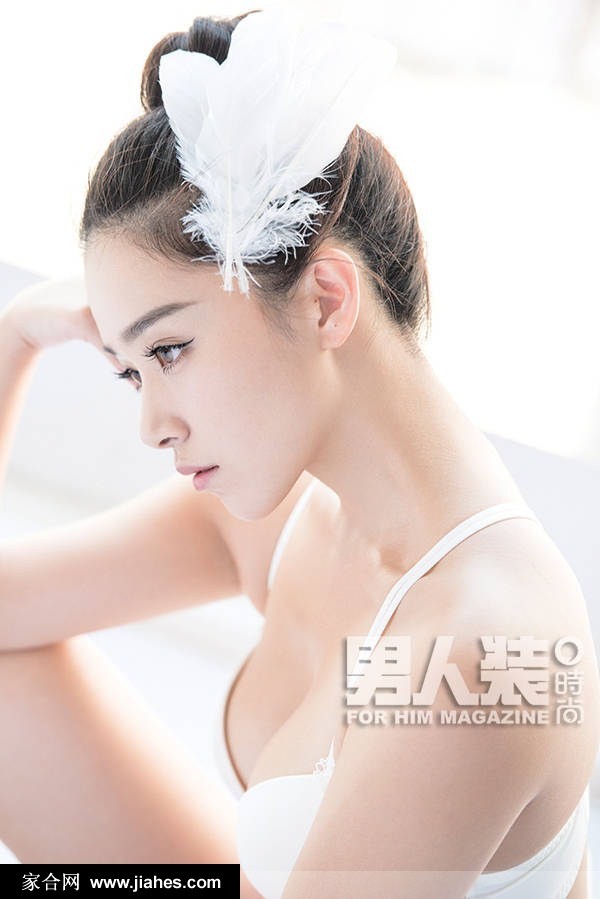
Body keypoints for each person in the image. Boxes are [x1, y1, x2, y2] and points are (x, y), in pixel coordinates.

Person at [0, 7, 598, 898]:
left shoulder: (476, 646)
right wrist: (14, 337)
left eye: (170, 349)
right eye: (130, 372)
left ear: (326, 300)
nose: (152, 424)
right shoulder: (289, 518)